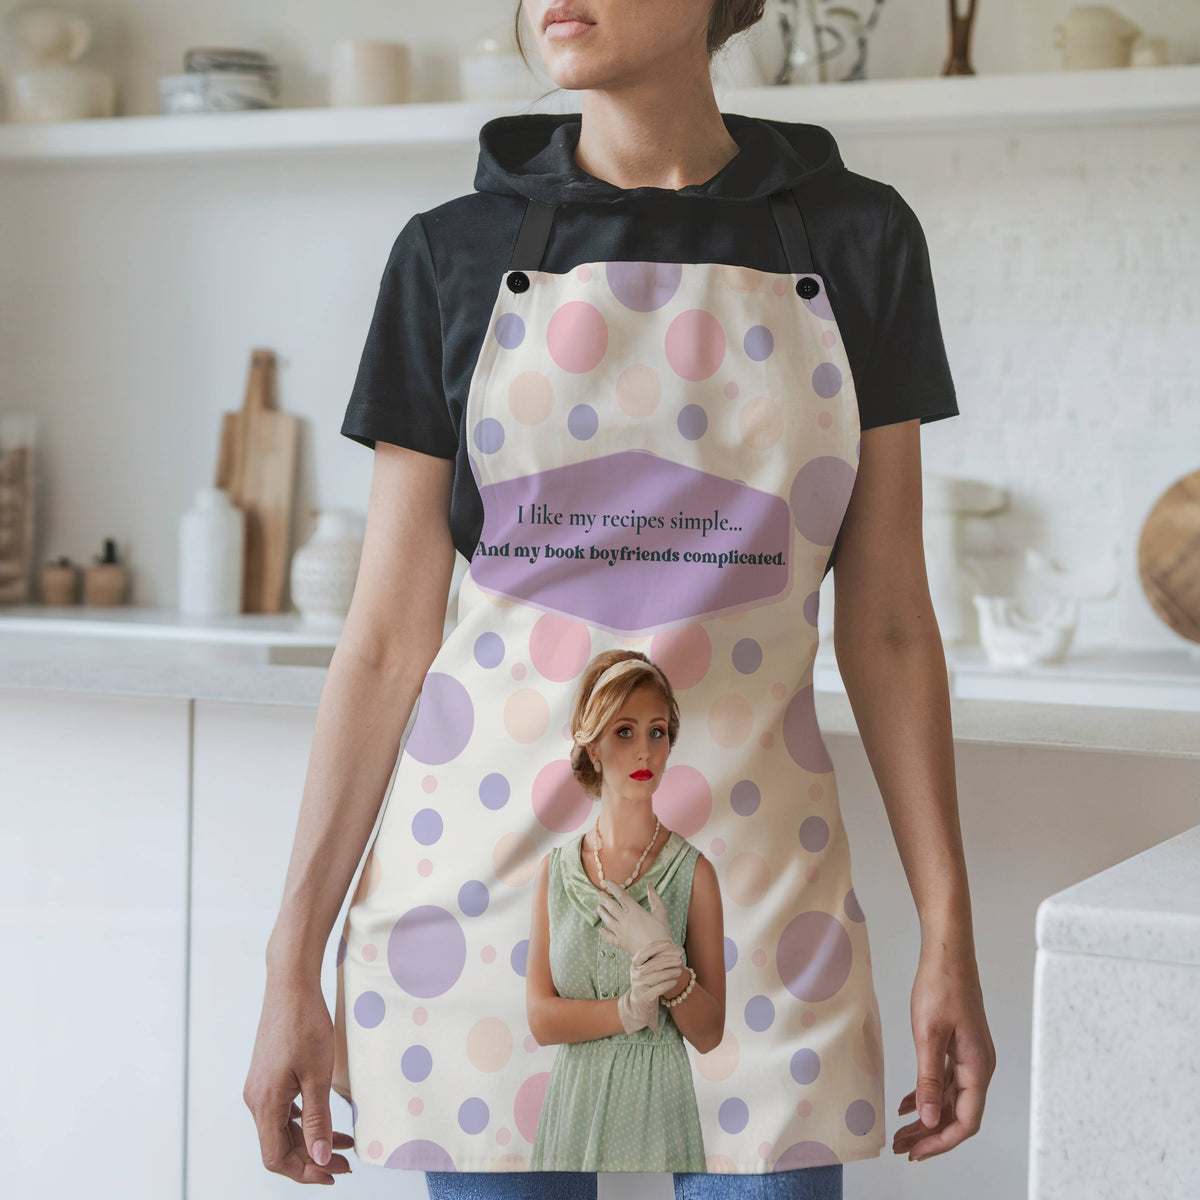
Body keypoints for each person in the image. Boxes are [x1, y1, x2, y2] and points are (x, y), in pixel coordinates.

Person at [242, 0, 997, 1195]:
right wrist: (292, 957)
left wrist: (950, 933)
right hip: (481, 898)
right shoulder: (452, 255)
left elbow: (893, 626)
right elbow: (387, 643)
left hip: (756, 894)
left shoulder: (857, 242)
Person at [525, 651, 718, 1172]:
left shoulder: (694, 874)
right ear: (591, 746)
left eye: (657, 732)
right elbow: (541, 1020)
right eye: (624, 731)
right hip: (574, 1109)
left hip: (659, 1110)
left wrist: (670, 970)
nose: (645, 751)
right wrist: (627, 1010)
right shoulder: (555, 873)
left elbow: (709, 1033)